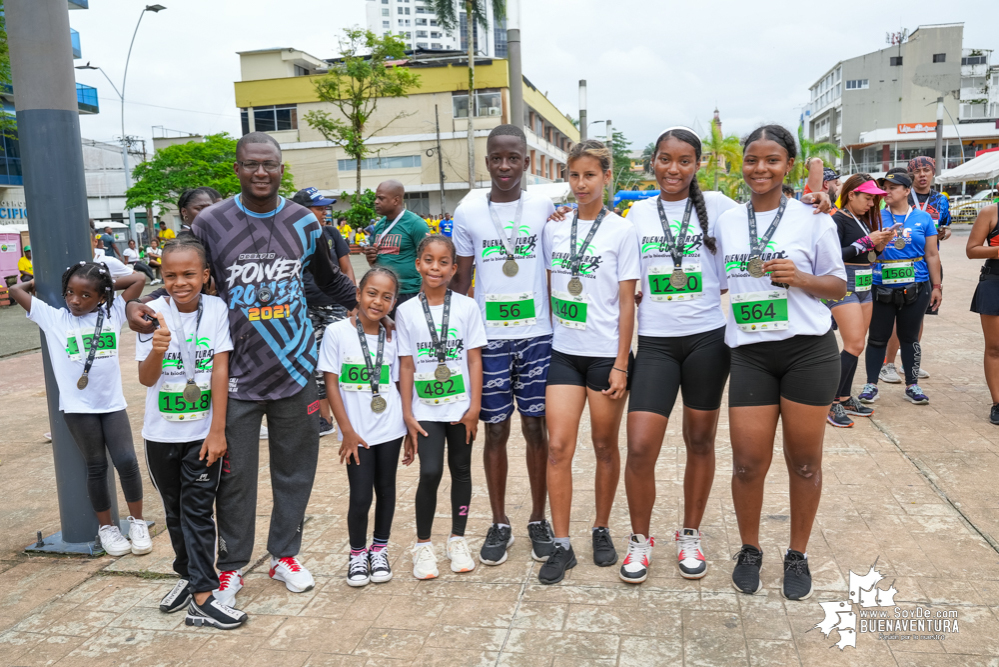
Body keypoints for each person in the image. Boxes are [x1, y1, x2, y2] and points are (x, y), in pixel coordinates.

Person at [126, 132, 358, 606]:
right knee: (234, 477)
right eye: (251, 164)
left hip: (295, 368)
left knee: (296, 470)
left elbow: (328, 279)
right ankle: (231, 566)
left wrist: (370, 308)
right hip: (234, 375)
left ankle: (284, 555)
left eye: (269, 164)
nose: (260, 172)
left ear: (280, 168)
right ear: (237, 169)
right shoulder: (212, 222)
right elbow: (182, 271)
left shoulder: (305, 223)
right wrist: (141, 303)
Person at [716, 124, 846, 601]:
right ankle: (750, 549)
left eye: (772, 160)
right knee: (749, 464)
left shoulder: (813, 218)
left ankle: (797, 554)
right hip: (750, 351)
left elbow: (839, 285)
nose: (760, 169)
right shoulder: (727, 221)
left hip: (806, 352)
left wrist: (803, 278)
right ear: (742, 165)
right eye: (752, 160)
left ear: (788, 164)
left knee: (805, 463)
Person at [619, 127, 737, 584]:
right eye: (665, 159)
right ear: (653, 162)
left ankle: (690, 534)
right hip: (655, 343)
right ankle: (639, 540)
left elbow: (763, 229)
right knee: (640, 446)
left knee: (700, 441)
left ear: (697, 165)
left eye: (684, 161)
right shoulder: (637, 214)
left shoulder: (722, 210)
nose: (674, 169)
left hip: (708, 339)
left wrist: (816, 203)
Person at [451, 124, 557, 567]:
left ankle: (537, 519)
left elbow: (559, 266)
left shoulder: (544, 206)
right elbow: (460, 278)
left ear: (527, 160)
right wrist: (450, 335)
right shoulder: (468, 210)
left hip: (538, 337)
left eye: (513, 157)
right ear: (487, 160)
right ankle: (499, 522)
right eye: (497, 158)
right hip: (488, 341)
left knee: (537, 430)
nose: (505, 166)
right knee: (494, 431)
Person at [538, 139, 641, 585]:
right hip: (563, 351)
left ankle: (601, 528)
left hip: (605, 356)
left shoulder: (622, 231)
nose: (581, 184)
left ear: (606, 177)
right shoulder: (553, 228)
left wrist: (621, 363)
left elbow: (626, 304)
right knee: (558, 447)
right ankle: (562, 545)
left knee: (604, 446)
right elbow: (547, 286)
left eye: (590, 175)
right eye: (574, 175)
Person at [136, 237, 245, 629]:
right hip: (160, 435)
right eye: (170, 275)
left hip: (201, 434)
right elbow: (145, 379)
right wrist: (157, 350)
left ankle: (202, 597)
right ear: (161, 276)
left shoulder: (216, 309)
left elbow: (220, 369)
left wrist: (217, 431)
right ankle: (189, 577)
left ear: (204, 275)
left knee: (198, 513)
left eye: (188, 274)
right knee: (175, 513)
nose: (180, 282)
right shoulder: (151, 314)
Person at [10, 263, 151, 557]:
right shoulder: (54, 318)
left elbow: (138, 279)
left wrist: (106, 283)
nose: (75, 300)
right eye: (70, 292)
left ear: (101, 297)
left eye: (86, 295)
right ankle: (108, 528)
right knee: (97, 466)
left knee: (126, 461)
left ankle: (137, 522)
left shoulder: (111, 313)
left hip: (112, 405)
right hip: (78, 409)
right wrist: (42, 280)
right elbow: (14, 290)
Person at [397, 235, 486, 579]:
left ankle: (457, 539)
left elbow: (475, 360)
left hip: (461, 409)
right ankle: (423, 545)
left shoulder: (466, 307)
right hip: (426, 411)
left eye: (443, 262)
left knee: (461, 470)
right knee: (430, 472)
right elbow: (405, 365)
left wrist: (475, 406)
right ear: (418, 264)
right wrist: (407, 413)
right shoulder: (405, 311)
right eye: (429, 260)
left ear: (454, 268)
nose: (436, 267)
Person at [318, 267, 407, 586]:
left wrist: (408, 427)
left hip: (390, 426)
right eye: (371, 293)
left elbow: (399, 382)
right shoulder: (337, 332)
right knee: (360, 495)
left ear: (394, 302)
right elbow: (331, 382)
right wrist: (346, 431)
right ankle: (357, 554)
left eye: (387, 297)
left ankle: (379, 549)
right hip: (355, 431)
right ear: (358, 294)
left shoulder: (395, 335)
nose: (378, 301)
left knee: (386, 490)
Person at [859, 171, 942, 406]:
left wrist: (936, 286)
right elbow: (867, 254)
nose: (887, 191)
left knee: (910, 337)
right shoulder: (874, 217)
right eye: (885, 187)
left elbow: (932, 254)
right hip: (880, 285)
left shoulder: (923, 218)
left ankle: (912, 385)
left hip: (916, 284)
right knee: (877, 337)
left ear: (907, 190)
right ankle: (871, 385)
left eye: (893, 187)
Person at [824, 176, 893, 428]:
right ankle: (830, 402)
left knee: (857, 345)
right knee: (853, 343)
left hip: (865, 285)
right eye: (867, 197)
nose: (871, 203)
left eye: (874, 199)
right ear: (851, 194)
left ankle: (843, 397)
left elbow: (868, 256)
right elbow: (834, 255)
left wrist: (879, 246)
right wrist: (866, 242)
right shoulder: (837, 219)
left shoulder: (863, 221)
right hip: (843, 286)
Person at [881, 157, 952, 383]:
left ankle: (908, 364)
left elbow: (946, 227)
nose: (923, 174)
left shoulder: (940, 200)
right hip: (895, 263)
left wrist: (943, 233)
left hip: (925, 264)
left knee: (918, 316)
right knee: (894, 319)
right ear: (910, 177)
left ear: (933, 173)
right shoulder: (900, 193)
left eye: (927, 170)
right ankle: (888, 364)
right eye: (918, 171)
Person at [293, 187, 354, 438]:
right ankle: (323, 417)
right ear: (302, 211)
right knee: (313, 362)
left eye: (325, 208)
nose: (324, 213)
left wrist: (351, 303)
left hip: (333, 305)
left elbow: (346, 268)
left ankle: (349, 414)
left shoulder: (330, 233)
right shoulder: (291, 237)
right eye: (319, 208)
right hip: (304, 308)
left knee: (339, 360)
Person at [363, 180, 430, 313]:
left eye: (381, 198)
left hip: (408, 293)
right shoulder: (380, 225)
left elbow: (429, 262)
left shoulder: (416, 224)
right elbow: (379, 261)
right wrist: (371, 260)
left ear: (396, 200)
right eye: (376, 198)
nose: (376, 201)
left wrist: (422, 298)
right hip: (383, 293)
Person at [967, 202, 999, 424]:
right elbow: (972, 249)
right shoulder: (990, 212)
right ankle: (998, 403)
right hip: (994, 281)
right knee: (995, 347)